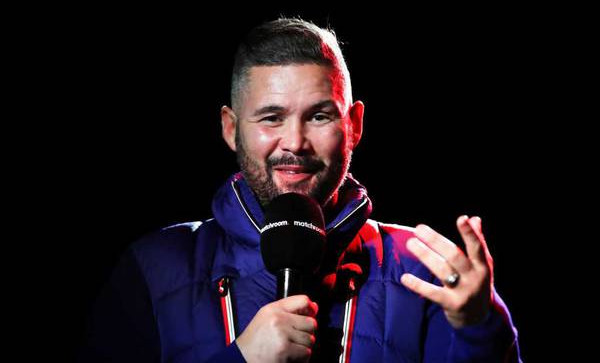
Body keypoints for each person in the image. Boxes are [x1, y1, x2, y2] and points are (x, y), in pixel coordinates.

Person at [80, 18, 521, 362]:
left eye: (319, 116)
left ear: (354, 125)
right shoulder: (153, 268)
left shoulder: (425, 272)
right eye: (272, 117)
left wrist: (478, 326)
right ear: (231, 129)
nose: (294, 142)